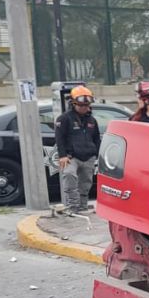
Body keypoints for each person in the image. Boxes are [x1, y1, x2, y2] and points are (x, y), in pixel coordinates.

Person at [55, 86, 101, 214]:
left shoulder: (92, 120)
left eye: (86, 105)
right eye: (80, 105)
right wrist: (62, 155)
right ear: (73, 104)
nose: (84, 108)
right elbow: (59, 138)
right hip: (71, 157)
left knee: (86, 183)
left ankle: (82, 206)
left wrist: (97, 154)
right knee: (69, 176)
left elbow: (96, 138)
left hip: (89, 157)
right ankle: (72, 206)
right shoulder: (64, 119)